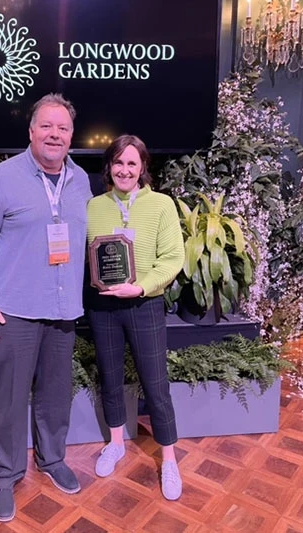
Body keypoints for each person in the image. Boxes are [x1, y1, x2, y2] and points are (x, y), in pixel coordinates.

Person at [0, 93, 93, 522]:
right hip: (14, 311)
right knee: (8, 398)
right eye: (46, 126)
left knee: (56, 394)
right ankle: (5, 475)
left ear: (71, 136)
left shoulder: (81, 181)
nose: (54, 134)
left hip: (63, 310)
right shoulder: (3, 178)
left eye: (62, 128)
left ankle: (52, 458)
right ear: (31, 131)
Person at [86, 134, 185, 500]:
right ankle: (116, 443)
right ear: (109, 167)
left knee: (156, 386)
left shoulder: (161, 205)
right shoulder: (94, 206)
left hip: (145, 305)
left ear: (143, 167)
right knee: (110, 379)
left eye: (132, 163)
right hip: (104, 307)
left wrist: (141, 287)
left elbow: (173, 259)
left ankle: (170, 459)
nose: (125, 170)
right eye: (118, 162)